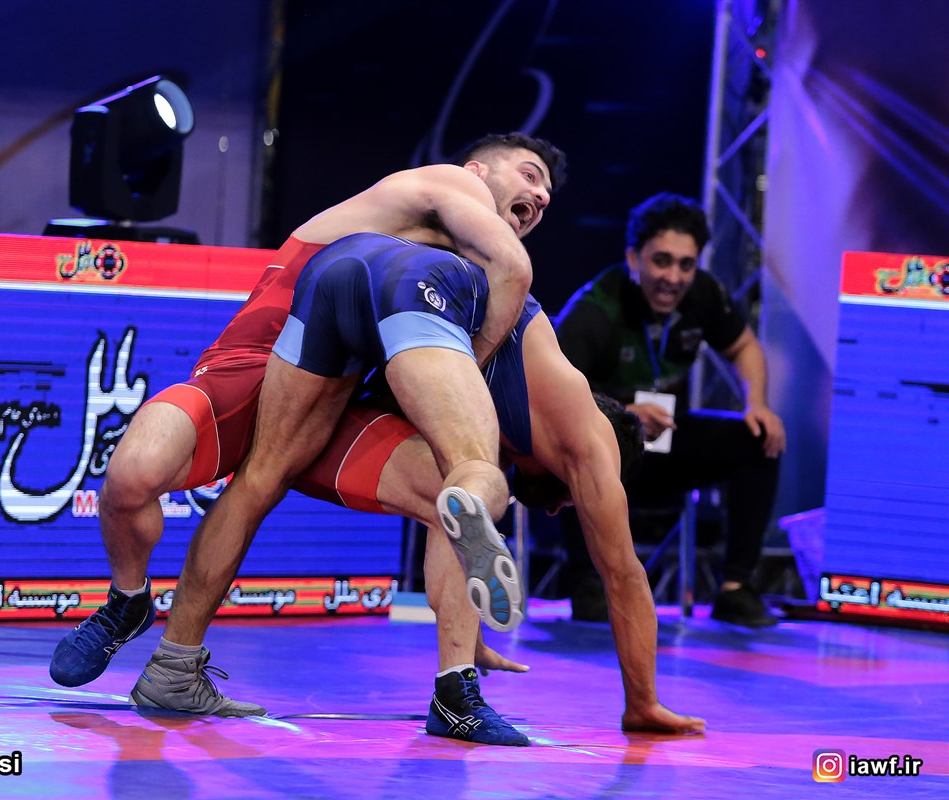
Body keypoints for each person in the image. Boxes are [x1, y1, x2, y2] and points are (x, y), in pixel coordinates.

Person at [50, 134, 566, 742]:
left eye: (547, 194)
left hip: (327, 394)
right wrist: (474, 362)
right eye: (529, 176)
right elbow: (514, 266)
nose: (539, 196)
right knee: (131, 474)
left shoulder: (448, 264)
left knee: (444, 494)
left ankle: (455, 690)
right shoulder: (451, 185)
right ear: (477, 170)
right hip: (246, 371)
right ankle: (128, 600)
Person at [292, 293, 706, 738]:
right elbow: (625, 576)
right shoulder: (589, 444)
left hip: (360, 331)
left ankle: (456, 668)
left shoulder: (497, 438)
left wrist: (469, 637)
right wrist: (643, 703)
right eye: (568, 500)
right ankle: (456, 691)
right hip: (419, 301)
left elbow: (454, 531)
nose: (553, 509)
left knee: (437, 490)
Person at [554, 192, 786, 627]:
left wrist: (757, 402)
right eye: (661, 261)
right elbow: (553, 400)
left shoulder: (703, 294)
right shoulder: (595, 309)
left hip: (665, 442)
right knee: (570, 446)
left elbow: (745, 347)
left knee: (758, 440)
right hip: (604, 452)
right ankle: (588, 583)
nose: (673, 277)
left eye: (685, 264)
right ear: (633, 257)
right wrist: (624, 413)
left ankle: (736, 588)